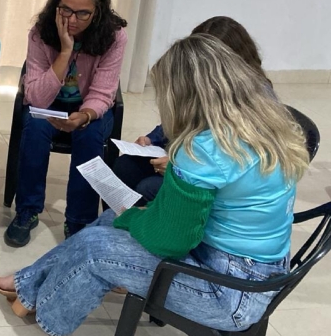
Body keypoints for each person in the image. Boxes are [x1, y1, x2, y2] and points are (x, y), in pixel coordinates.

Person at [0, 35, 309, 336]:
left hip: (229, 291)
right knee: (109, 220)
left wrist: (133, 218)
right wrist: (135, 217)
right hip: (255, 272)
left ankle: (46, 317)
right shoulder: (258, 124)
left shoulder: (203, 149)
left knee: (94, 247)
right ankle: (29, 287)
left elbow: (173, 241)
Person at [4, 0, 127, 247]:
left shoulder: (114, 36)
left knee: (90, 133)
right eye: (66, 10)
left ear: (97, 13)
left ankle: (79, 220)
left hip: (88, 107)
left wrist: (84, 115)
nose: (72, 20)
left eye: (82, 13)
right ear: (56, 5)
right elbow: (36, 97)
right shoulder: (41, 32)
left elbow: (104, 91)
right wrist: (64, 52)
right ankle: (27, 210)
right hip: (49, 104)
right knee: (35, 127)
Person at [112, 16, 272, 204]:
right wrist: (151, 139)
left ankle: (143, 217)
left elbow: (231, 159)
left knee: (148, 188)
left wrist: (180, 168)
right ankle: (123, 216)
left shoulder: (257, 97)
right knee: (125, 166)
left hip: (215, 175)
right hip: (189, 158)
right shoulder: (204, 83)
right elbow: (182, 120)